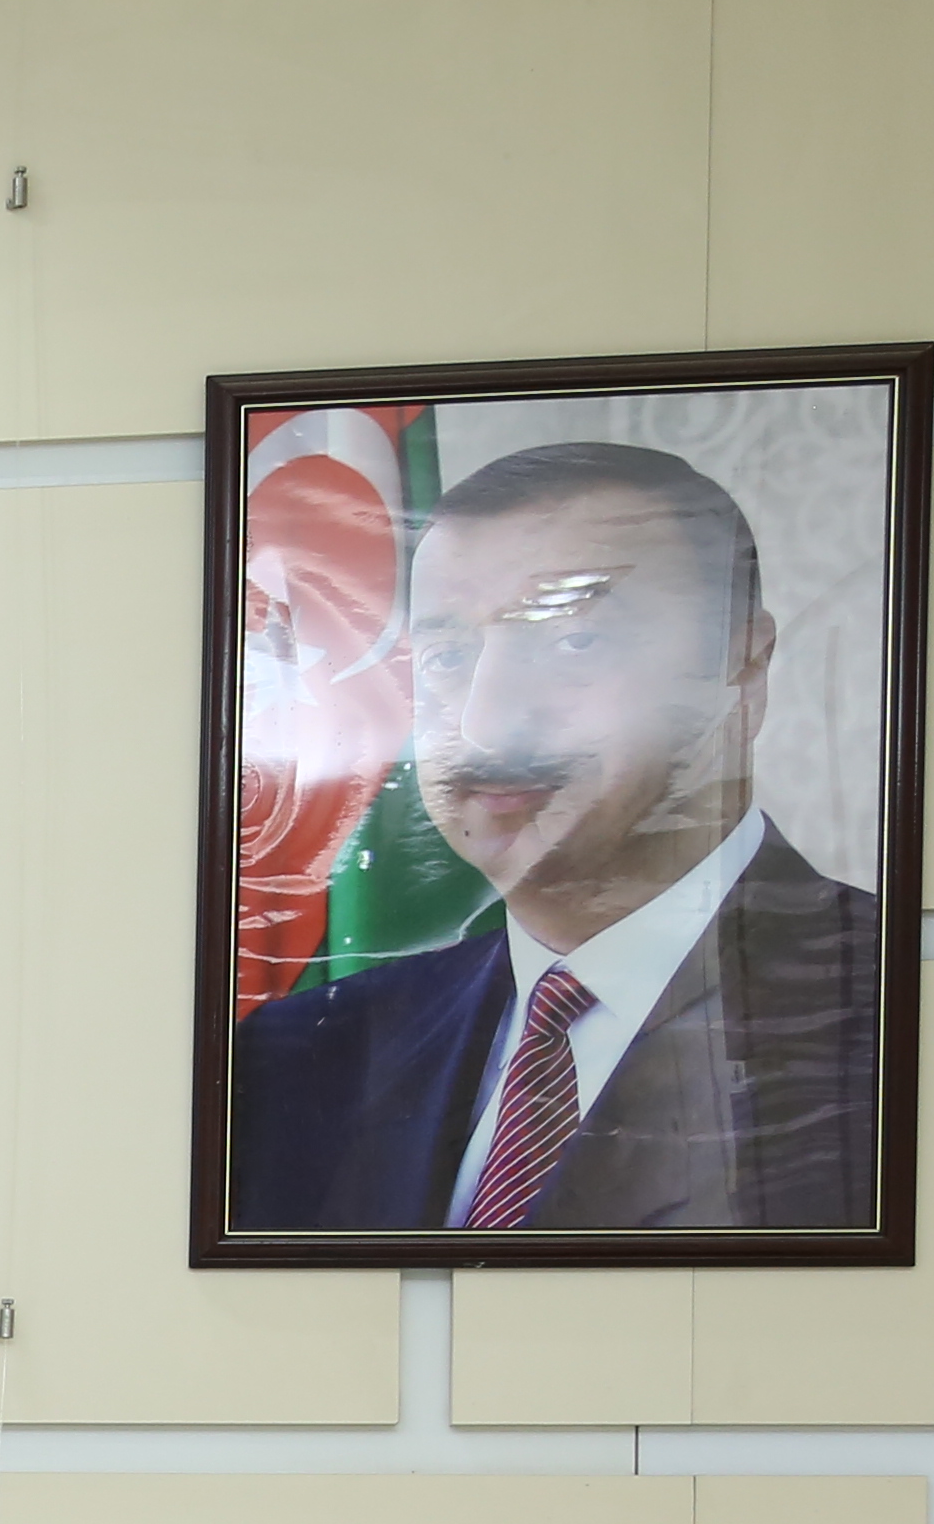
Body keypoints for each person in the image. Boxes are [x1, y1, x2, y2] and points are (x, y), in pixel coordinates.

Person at [222, 441, 884, 1235]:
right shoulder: (300, 1058)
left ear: (742, 670)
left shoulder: (904, 1019)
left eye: (575, 641)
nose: (485, 723)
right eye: (446, 657)